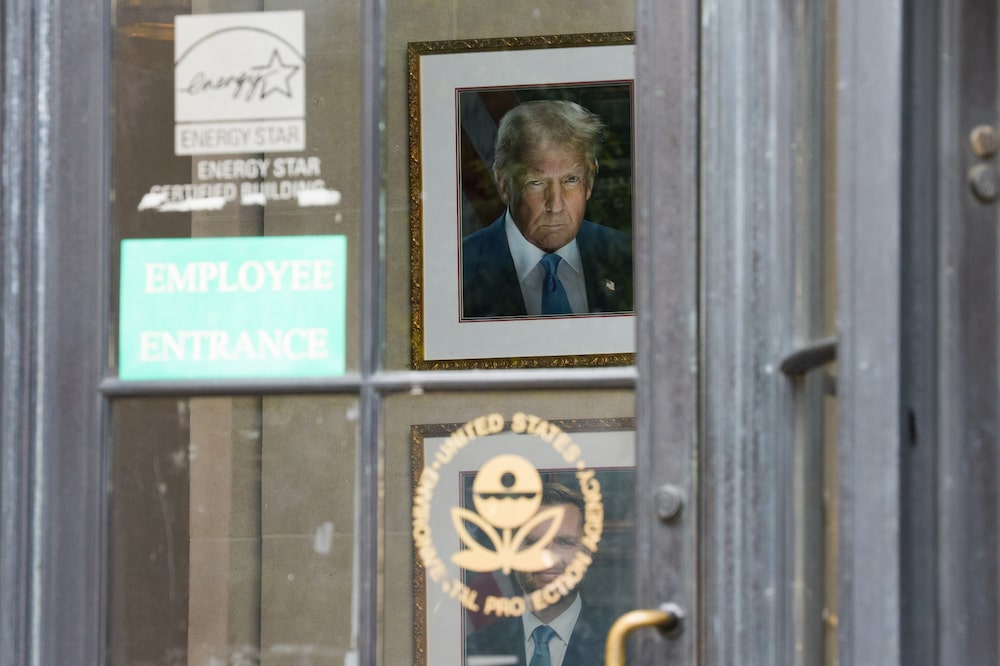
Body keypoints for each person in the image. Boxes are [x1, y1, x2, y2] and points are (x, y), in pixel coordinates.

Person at [461, 100, 633, 319]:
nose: (556, 206)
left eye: (571, 179)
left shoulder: (631, 258)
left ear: (589, 183)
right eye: (536, 182)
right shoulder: (457, 270)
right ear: (504, 184)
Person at [464, 483, 613, 666]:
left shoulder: (624, 643)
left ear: (587, 553)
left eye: (564, 542)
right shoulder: (477, 648)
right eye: (533, 542)